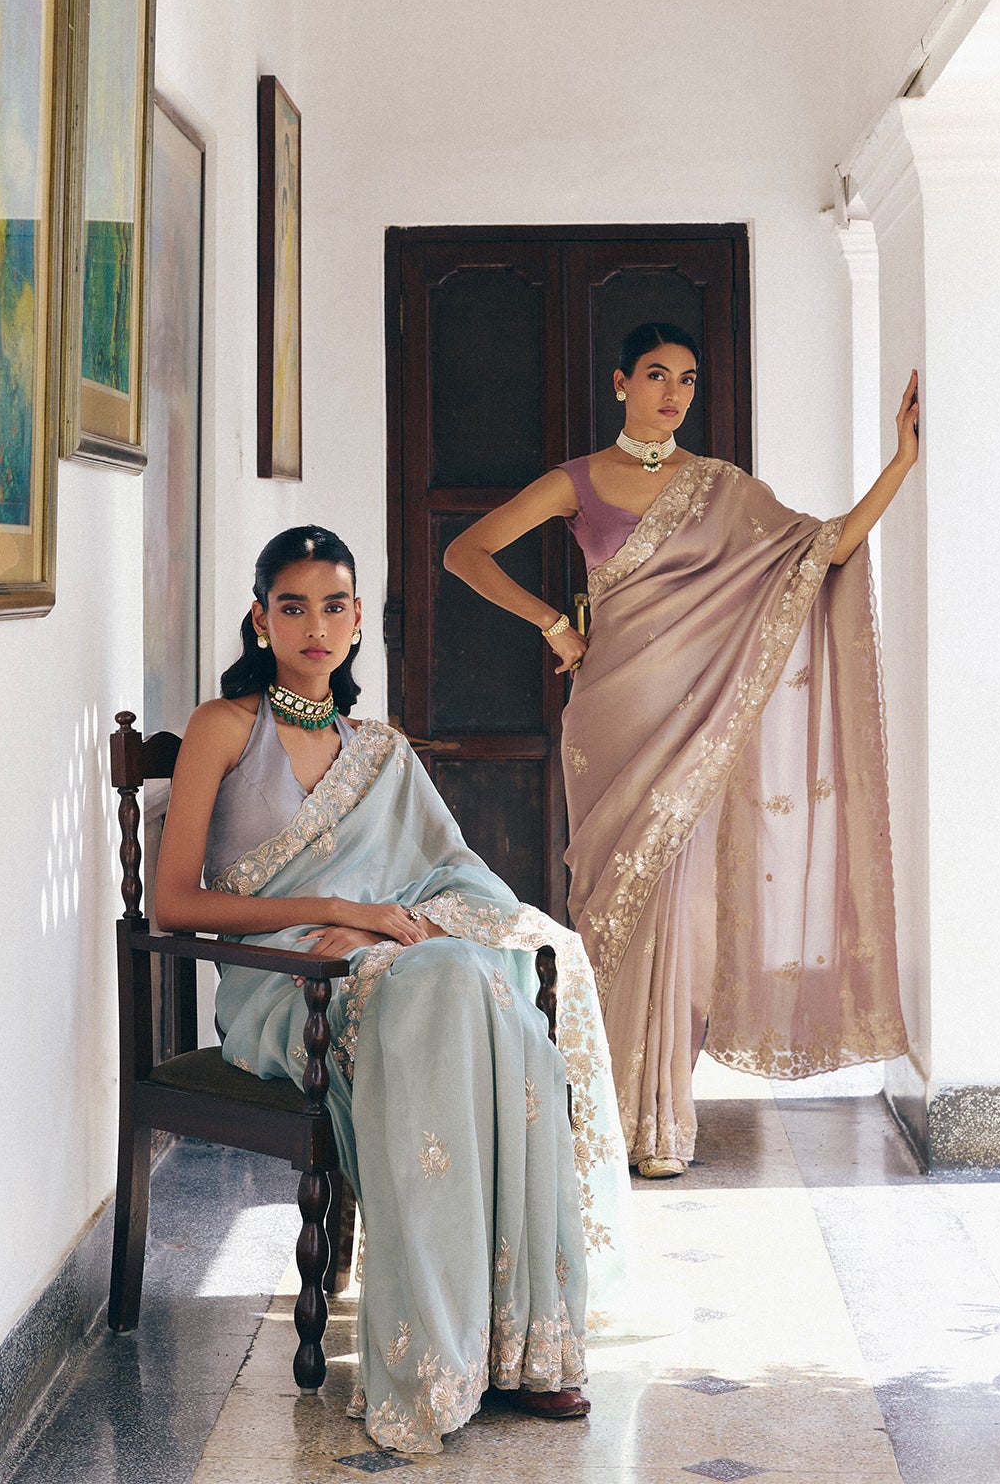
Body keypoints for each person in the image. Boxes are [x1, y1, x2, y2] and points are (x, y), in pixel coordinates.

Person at [155, 525, 629, 1456]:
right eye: (292, 607)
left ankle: (519, 1348)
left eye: (334, 606)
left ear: (360, 619)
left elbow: (456, 878)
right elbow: (176, 903)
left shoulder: (379, 749)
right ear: (259, 619)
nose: (314, 626)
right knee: (443, 991)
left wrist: (380, 923)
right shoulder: (225, 727)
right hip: (284, 983)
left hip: (384, 963)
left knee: (470, 976)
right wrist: (339, 907)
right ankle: (438, 1360)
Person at [443, 323, 914, 1177]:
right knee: (610, 907)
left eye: (688, 380)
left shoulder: (722, 489)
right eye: (656, 375)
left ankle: (657, 1119)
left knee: (687, 916)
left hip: (694, 732)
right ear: (620, 381)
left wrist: (901, 464)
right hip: (611, 720)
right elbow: (464, 552)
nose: (673, 393)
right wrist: (554, 621)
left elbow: (824, 550)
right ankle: (596, 1113)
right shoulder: (577, 482)